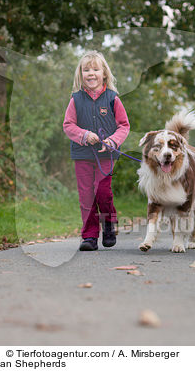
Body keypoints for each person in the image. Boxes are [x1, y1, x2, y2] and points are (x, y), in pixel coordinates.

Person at [63, 51, 130, 251]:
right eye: (86, 70)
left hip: (106, 155)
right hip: (82, 154)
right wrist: (84, 135)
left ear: (104, 74)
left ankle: (109, 224)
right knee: (86, 195)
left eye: (95, 69)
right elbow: (68, 125)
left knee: (102, 191)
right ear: (80, 74)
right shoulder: (75, 99)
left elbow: (124, 126)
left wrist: (112, 141)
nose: (90, 73)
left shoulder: (113, 99)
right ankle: (90, 236)